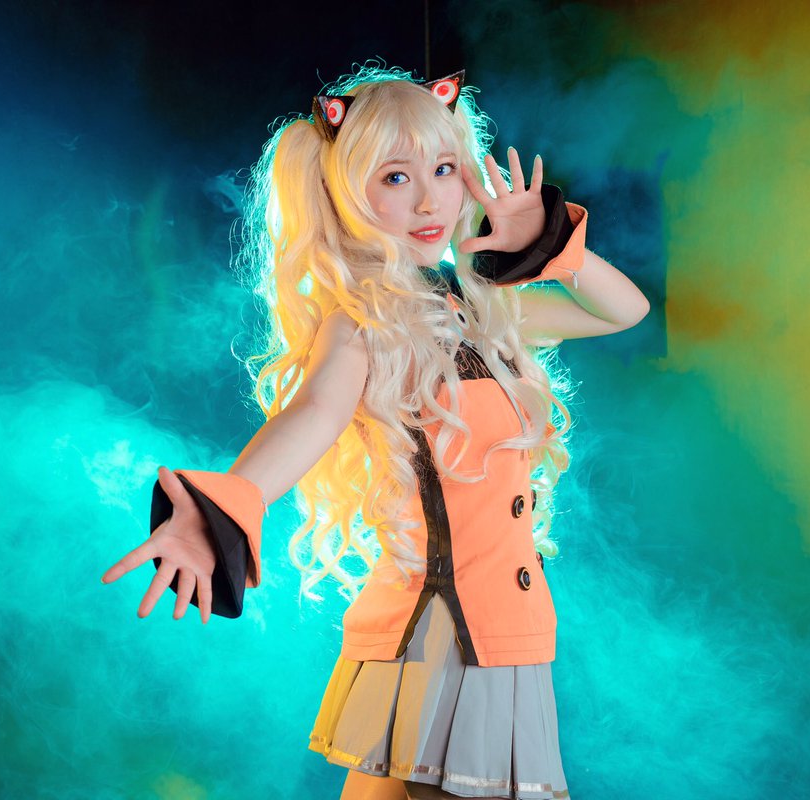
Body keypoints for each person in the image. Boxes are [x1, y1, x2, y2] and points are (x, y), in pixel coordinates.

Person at [101, 64, 650, 800]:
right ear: (347, 195)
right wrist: (227, 506)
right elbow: (313, 415)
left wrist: (555, 250)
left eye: (444, 169)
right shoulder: (362, 324)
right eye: (395, 177)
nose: (429, 199)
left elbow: (624, 311)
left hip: (498, 630)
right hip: (446, 633)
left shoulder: (491, 310)